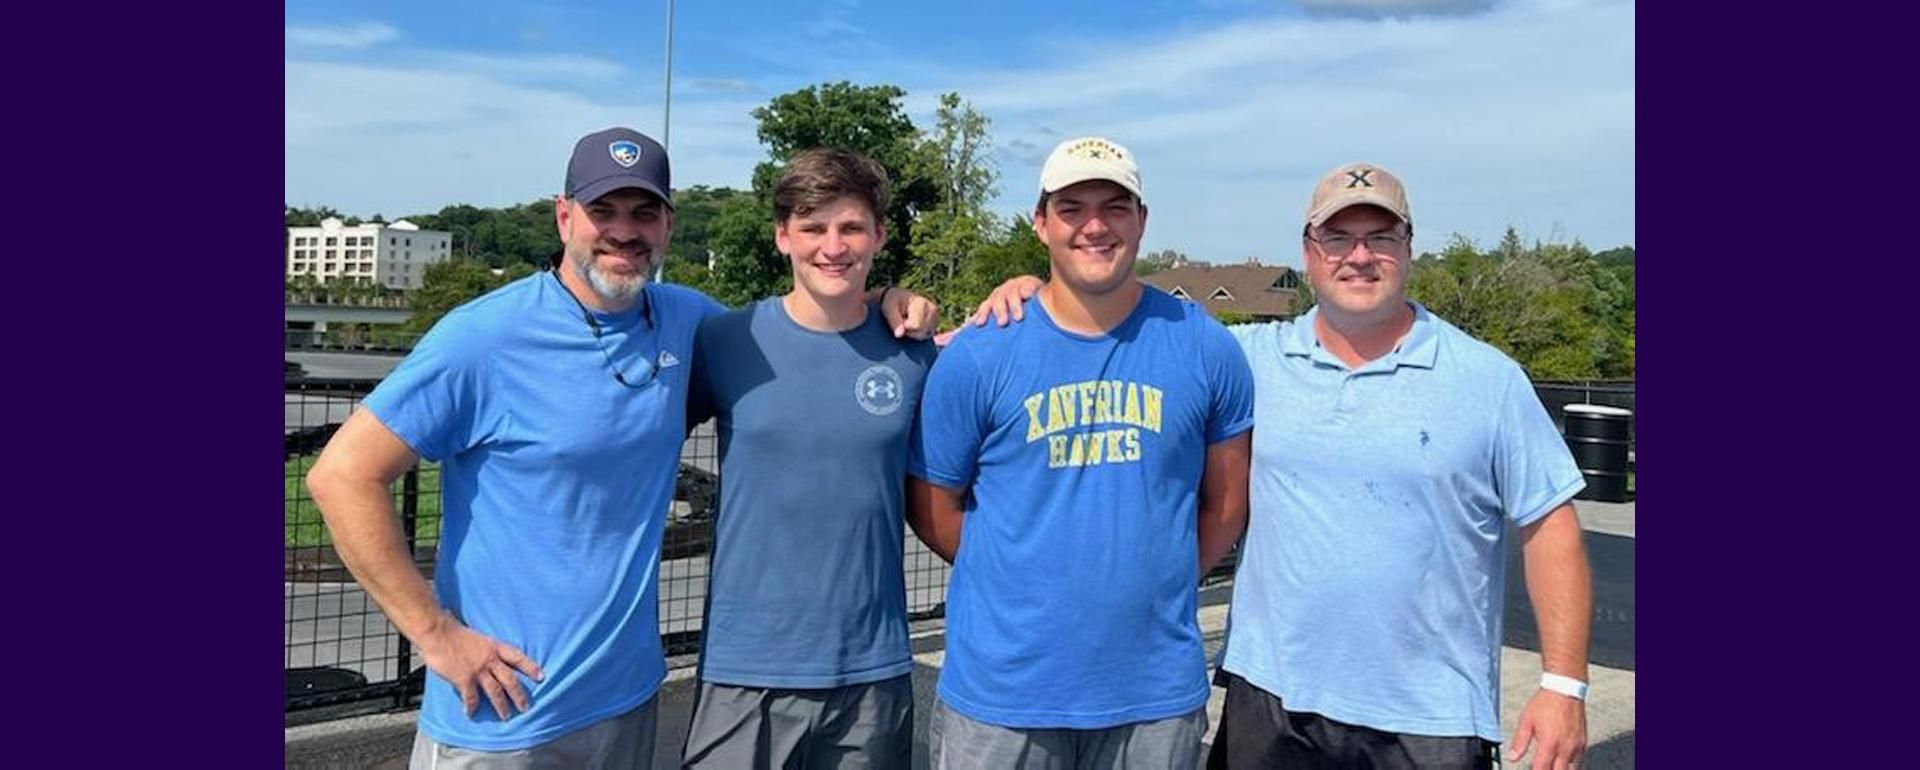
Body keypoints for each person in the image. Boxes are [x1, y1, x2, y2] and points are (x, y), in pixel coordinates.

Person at [304, 127, 937, 770]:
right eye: (601, 210)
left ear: (667, 224)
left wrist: (887, 299)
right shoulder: (484, 336)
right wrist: (435, 636)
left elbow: (809, 333)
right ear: (563, 215)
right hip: (503, 714)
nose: (623, 231)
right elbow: (341, 476)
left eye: (643, 212)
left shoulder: (692, 323)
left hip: (626, 701)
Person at [973, 162, 1594, 770]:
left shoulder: (1486, 380)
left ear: (1409, 248)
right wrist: (1032, 292)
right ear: (1308, 250)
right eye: (1337, 238)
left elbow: (1551, 526)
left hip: (1429, 718)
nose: (1358, 256)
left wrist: (1564, 685)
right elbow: (1110, 321)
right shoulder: (1247, 360)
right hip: (1269, 704)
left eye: (1380, 237)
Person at [907, 136, 1254, 770]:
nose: (1095, 225)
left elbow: (1227, 504)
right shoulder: (981, 353)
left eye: (1115, 207)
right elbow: (933, 506)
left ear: (1142, 221)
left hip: (1151, 693)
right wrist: (1020, 572)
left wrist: (1158, 576)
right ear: (1041, 223)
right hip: (1004, 694)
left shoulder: (1204, 346)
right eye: (1072, 208)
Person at [678, 148, 935, 769]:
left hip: (869, 671)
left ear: (877, 236)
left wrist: (1026, 285)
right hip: (744, 669)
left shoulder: (915, 356)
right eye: (813, 227)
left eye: (850, 227)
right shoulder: (724, 340)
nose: (833, 246)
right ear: (782, 236)